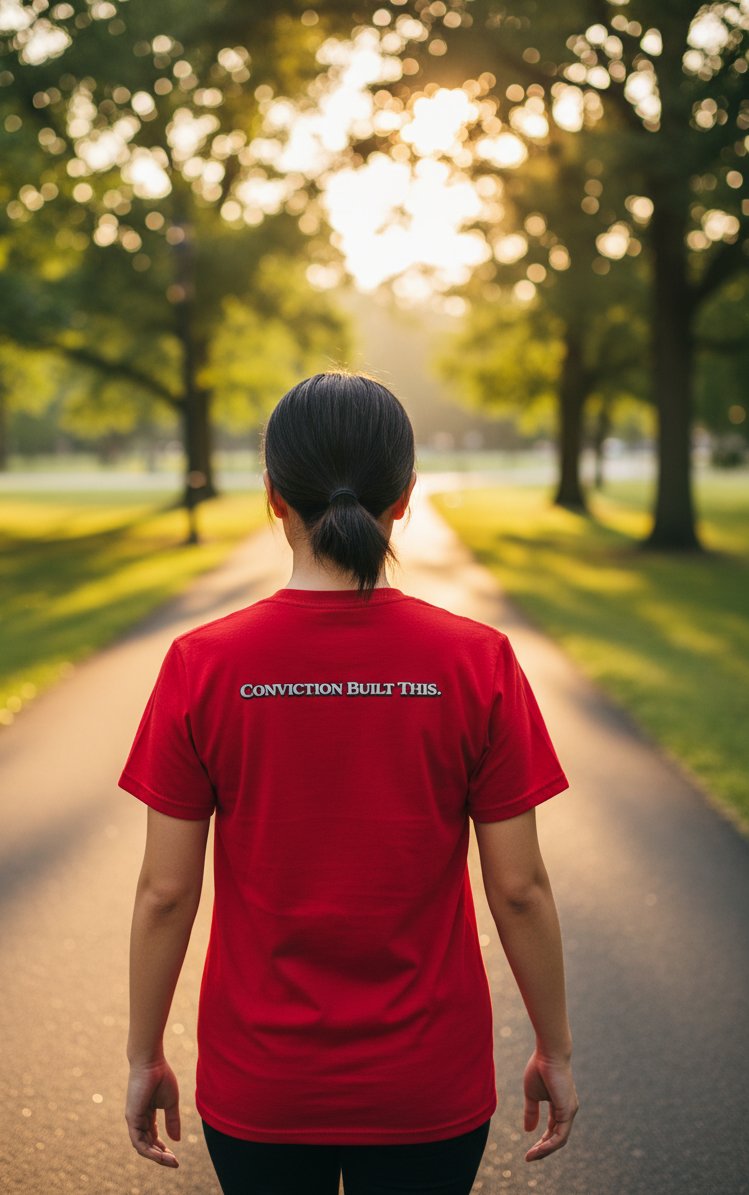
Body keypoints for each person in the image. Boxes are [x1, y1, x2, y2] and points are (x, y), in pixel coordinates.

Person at [120, 372, 578, 1195]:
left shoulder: (203, 666)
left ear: (272, 496)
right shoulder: (477, 663)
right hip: (426, 1084)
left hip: (262, 1082)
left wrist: (142, 1052)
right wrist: (557, 1048)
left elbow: (163, 892)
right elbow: (519, 889)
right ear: (405, 497)